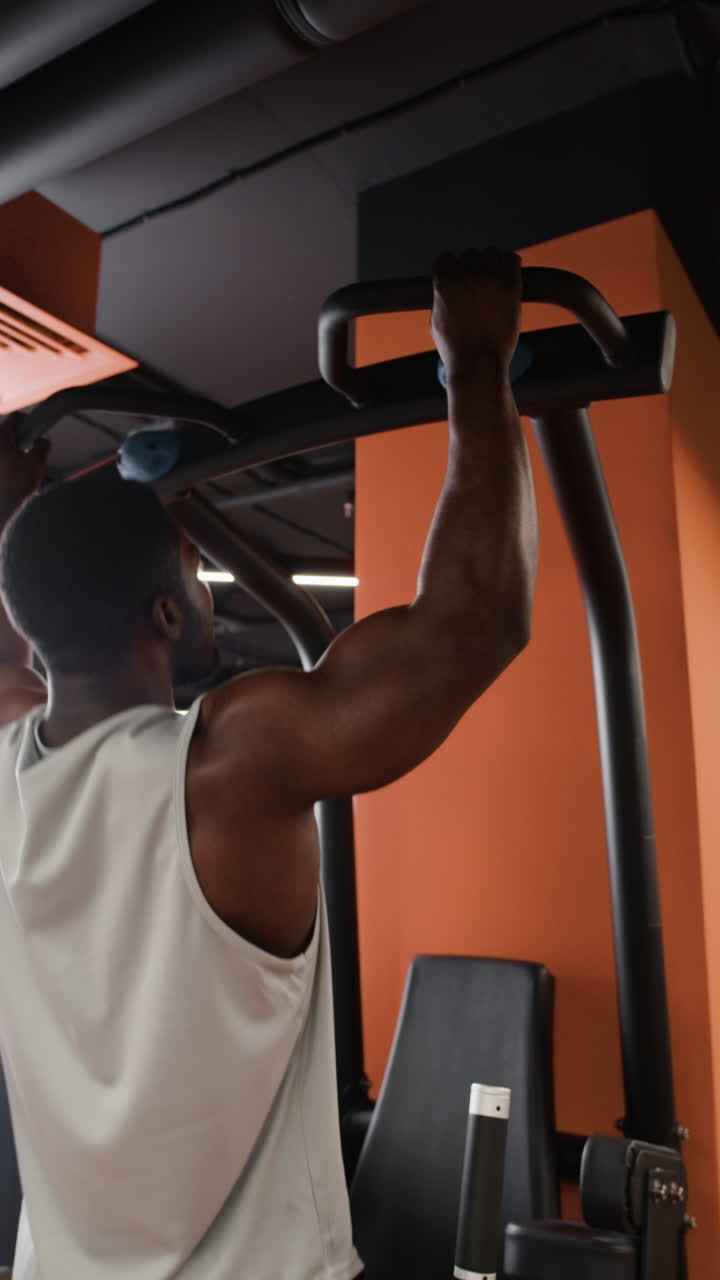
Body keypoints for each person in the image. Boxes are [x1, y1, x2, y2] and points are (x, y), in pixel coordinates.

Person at [0, 248, 538, 1280]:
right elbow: (473, 625)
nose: (205, 584)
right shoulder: (227, 765)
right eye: (193, 572)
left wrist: (14, 511)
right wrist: (477, 362)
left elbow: (12, 641)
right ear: (165, 615)